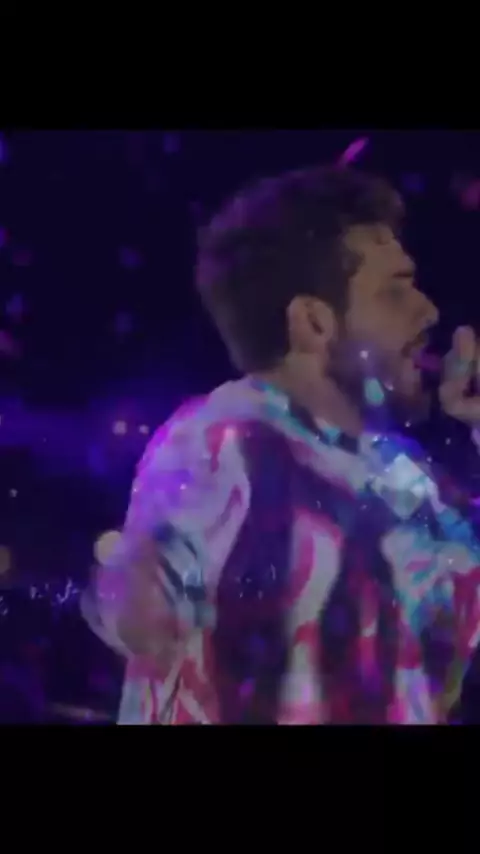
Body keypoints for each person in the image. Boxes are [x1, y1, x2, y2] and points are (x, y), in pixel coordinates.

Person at [83, 165, 480, 724]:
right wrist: (136, 591)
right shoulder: (229, 438)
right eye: (396, 290)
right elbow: (146, 591)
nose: (429, 310)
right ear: (314, 323)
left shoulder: (406, 477)